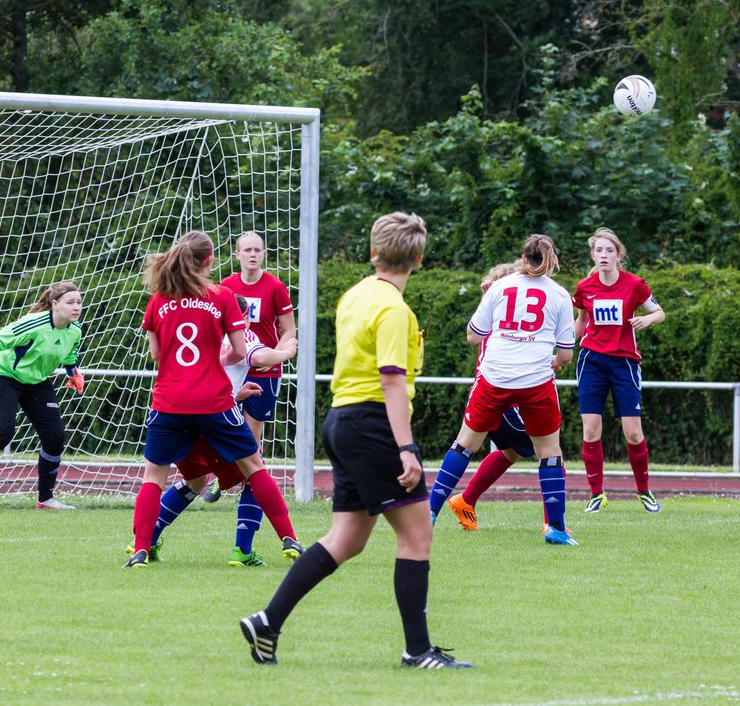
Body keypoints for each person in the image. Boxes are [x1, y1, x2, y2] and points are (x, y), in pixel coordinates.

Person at [240, 212, 471, 669]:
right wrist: (406, 448)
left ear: (372, 253)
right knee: (418, 536)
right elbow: (389, 380)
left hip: (342, 420)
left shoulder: (356, 295)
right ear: (419, 259)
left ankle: (268, 621)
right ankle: (418, 651)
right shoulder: (394, 309)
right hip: (372, 424)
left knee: (346, 538)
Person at [126, 231, 301, 569]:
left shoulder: (158, 300)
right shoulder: (222, 295)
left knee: (154, 477)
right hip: (213, 402)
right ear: (209, 261)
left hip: (170, 401)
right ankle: (288, 538)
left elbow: (156, 355)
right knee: (254, 466)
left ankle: (140, 549)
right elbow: (240, 351)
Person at [425, 234, 578, 546]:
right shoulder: (560, 295)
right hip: (535, 381)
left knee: (464, 445)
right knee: (549, 453)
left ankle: (429, 514)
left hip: (494, 378)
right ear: (553, 262)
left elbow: (472, 335)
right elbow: (564, 356)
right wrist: (542, 357)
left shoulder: (500, 286)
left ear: (522, 259)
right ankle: (556, 529)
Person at [0, 281, 85, 510]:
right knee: (2, 432)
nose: (76, 307)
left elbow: (70, 353)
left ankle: (45, 499)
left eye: (79, 302)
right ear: (54, 304)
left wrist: (73, 374)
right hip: (4, 376)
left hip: (37, 382)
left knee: (54, 436)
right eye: (70, 302)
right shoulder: (33, 324)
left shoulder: (75, 330)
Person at [430, 261, 541, 532]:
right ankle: (555, 523)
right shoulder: (503, 319)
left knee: (510, 451)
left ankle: (464, 501)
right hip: (503, 396)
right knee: (550, 451)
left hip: (490, 392)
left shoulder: (499, 318)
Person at [573, 228, 665, 514]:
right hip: (592, 361)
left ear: (618, 255)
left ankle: (643, 491)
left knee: (633, 433)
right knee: (590, 429)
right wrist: (557, 350)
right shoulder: (584, 287)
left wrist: (647, 320)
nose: (603, 255)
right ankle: (597, 494)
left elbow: (660, 313)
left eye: (609, 251)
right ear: (593, 255)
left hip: (624, 362)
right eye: (598, 251)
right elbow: (580, 324)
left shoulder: (635, 284)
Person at [205, 231, 296, 503]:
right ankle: (225, 474)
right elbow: (215, 324)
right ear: (238, 255)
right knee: (221, 423)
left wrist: (276, 355)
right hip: (232, 366)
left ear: (264, 254)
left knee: (251, 428)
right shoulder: (226, 286)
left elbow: (289, 329)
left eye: (258, 250)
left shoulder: (275, 287)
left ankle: (246, 482)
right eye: (248, 250)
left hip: (262, 366)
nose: (253, 254)